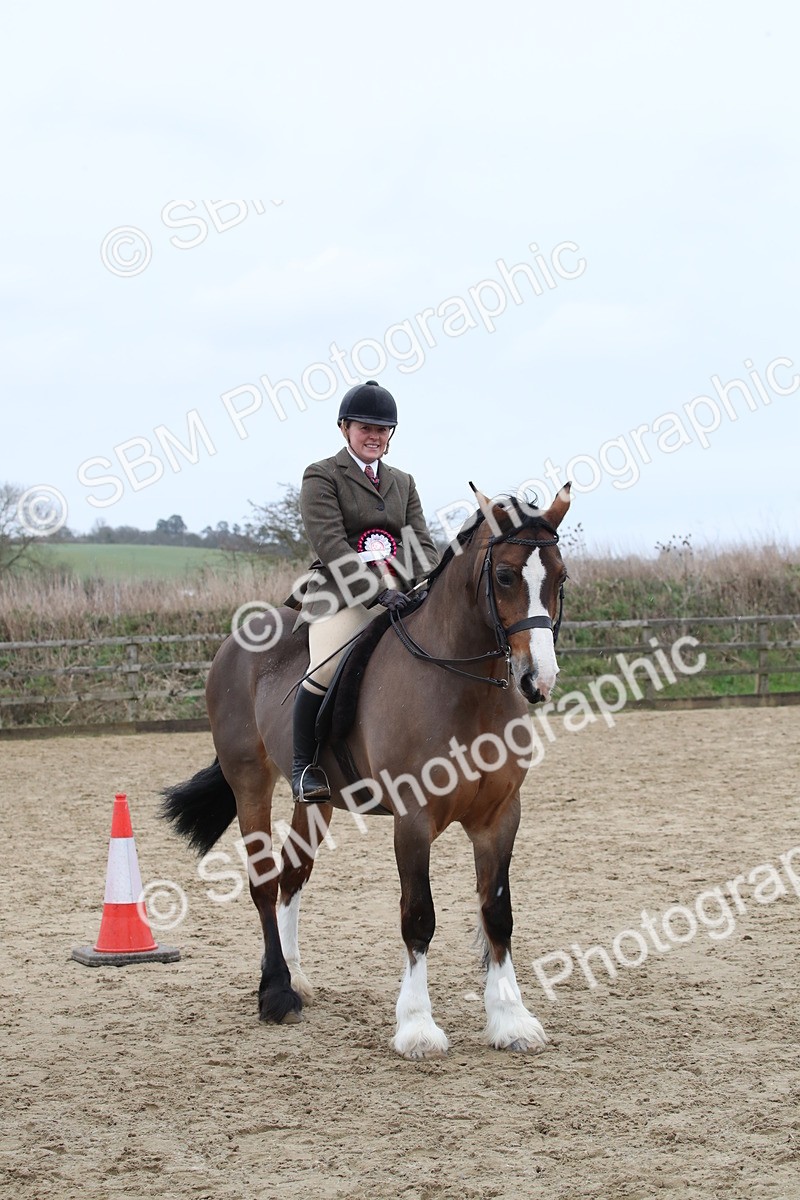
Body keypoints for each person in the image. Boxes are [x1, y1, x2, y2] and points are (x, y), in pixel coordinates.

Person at [291, 380, 439, 803]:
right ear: (344, 428)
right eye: (364, 428)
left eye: (382, 429)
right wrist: (376, 592)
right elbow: (331, 544)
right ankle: (304, 768)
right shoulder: (321, 475)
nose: (374, 436)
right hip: (342, 592)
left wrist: (415, 583)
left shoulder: (403, 482)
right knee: (324, 669)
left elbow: (423, 545)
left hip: (402, 590)